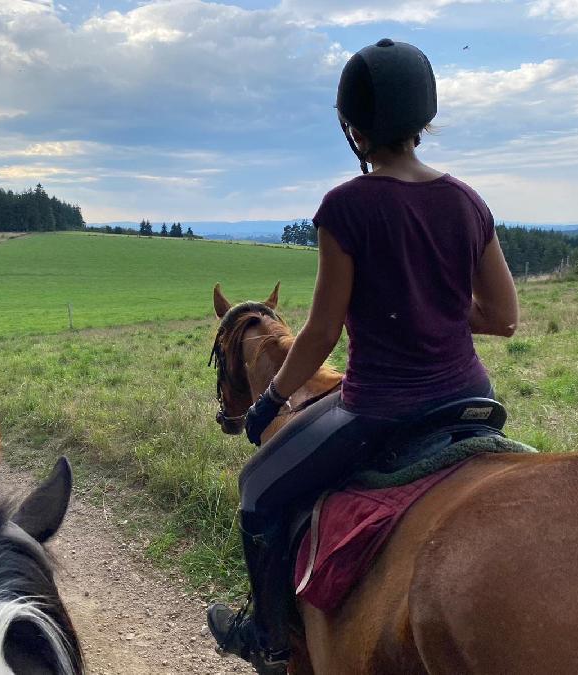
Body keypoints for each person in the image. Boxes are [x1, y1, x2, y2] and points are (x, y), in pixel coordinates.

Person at [206, 38, 519, 672]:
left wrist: (268, 403)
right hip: (471, 399)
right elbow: (504, 318)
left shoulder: (346, 206)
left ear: (353, 127)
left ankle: (266, 634)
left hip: (379, 407)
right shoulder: (467, 201)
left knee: (257, 489)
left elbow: (320, 334)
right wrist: (433, 298)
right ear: (424, 120)